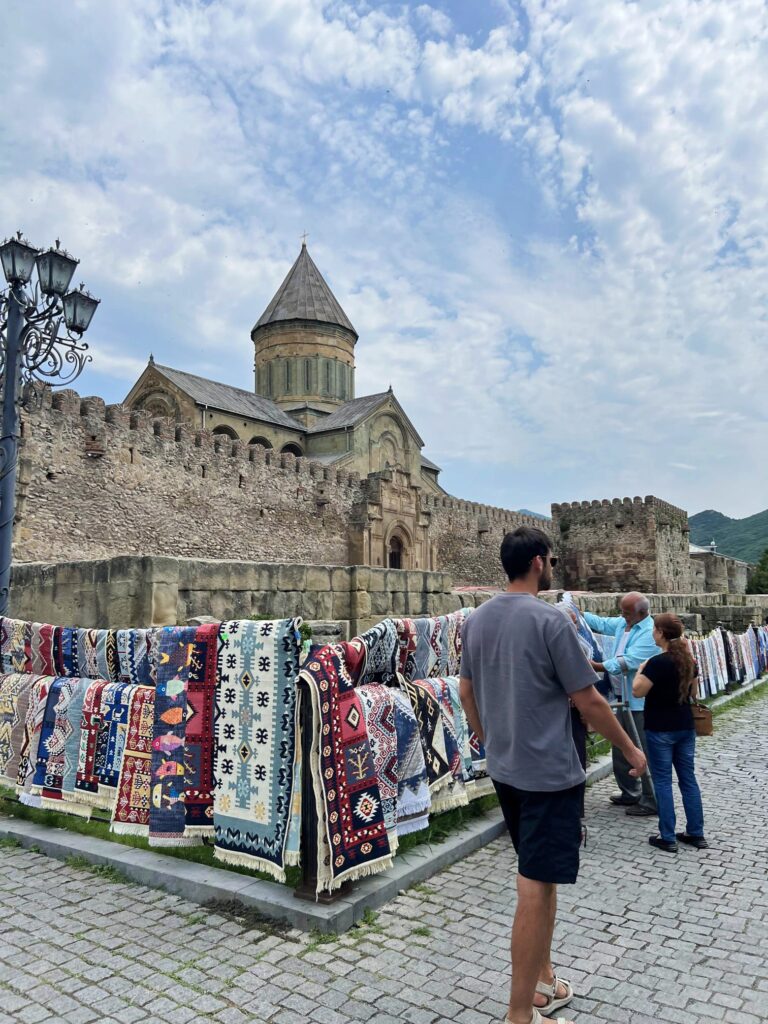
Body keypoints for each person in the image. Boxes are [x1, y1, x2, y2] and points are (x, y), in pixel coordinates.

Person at [460, 527, 647, 1024]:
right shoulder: (552, 621)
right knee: (533, 887)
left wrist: (488, 740)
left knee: (541, 879)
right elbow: (588, 699)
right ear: (540, 562)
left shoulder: (476, 620)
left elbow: (465, 691)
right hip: (549, 774)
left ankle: (543, 977)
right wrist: (629, 747)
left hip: (506, 769)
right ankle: (520, 1013)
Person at [633, 613, 708, 853]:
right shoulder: (689, 661)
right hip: (685, 727)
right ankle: (696, 833)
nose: (653, 633)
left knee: (663, 782)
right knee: (688, 779)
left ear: (662, 633)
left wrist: (640, 669)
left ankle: (667, 836)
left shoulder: (657, 663)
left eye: (654, 629)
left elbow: (637, 692)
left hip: (660, 728)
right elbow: (693, 693)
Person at [583, 594, 660, 816]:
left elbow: (627, 662)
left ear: (642, 613)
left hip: (638, 703)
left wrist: (596, 665)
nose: (622, 616)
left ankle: (651, 798)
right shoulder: (624, 624)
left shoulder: (649, 633)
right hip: (620, 698)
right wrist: (577, 614)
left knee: (642, 751)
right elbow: (602, 623)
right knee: (621, 746)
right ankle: (630, 791)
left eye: (627, 613)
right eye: (622, 612)